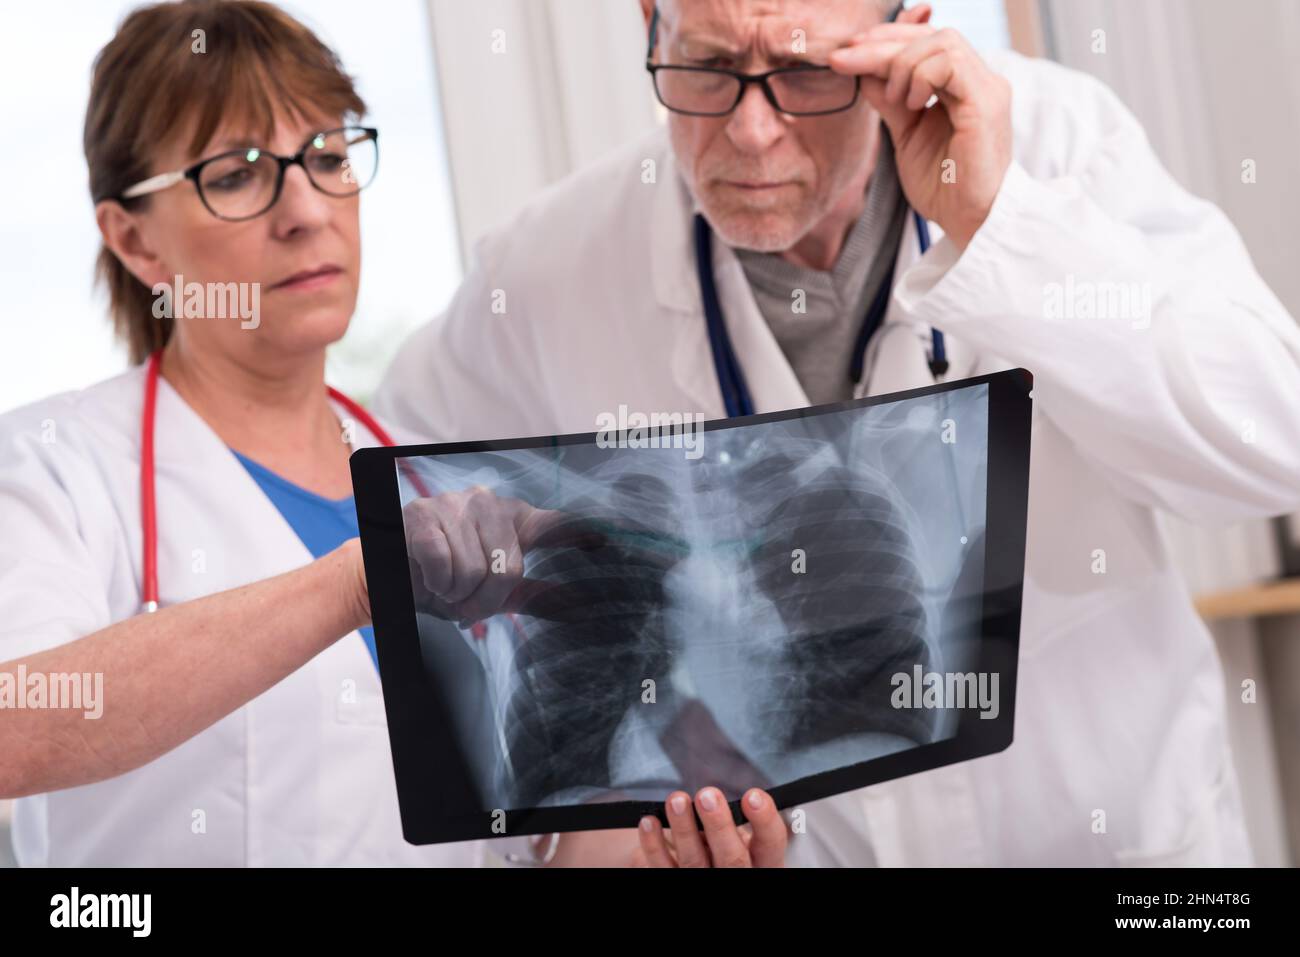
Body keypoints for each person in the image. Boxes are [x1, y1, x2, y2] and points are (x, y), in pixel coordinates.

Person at [375, 0, 1300, 865]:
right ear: (647, 18)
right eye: (705, 66)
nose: (750, 130)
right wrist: (567, 824)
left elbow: (1274, 445)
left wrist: (997, 223)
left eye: (806, 68)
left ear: (902, 33)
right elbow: (387, 512)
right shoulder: (555, 261)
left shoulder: (1059, 143)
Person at [0, 0, 784, 869]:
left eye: (329, 156)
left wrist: (674, 848)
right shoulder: (54, 466)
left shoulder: (428, 475)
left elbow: (518, 845)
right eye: (237, 174)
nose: (305, 209)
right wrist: (355, 582)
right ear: (134, 240)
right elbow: (14, 728)